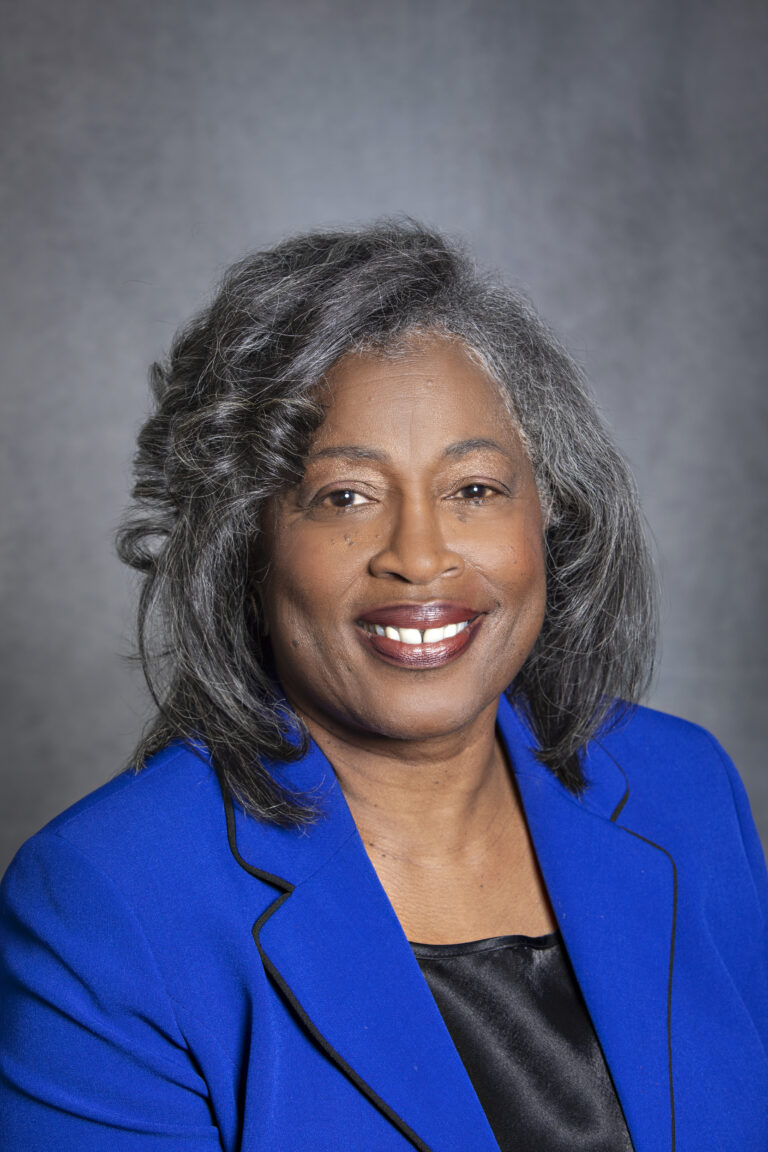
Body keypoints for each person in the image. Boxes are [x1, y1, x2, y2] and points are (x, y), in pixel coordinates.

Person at [0, 222, 766, 1152]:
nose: (419, 556)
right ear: (247, 544)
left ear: (548, 513)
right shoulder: (106, 902)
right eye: (346, 497)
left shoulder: (685, 790)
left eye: (475, 489)